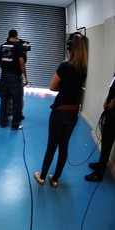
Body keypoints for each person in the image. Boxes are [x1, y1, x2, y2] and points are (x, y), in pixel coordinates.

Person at [34, 32, 88, 188]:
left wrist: (61, 87)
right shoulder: (84, 68)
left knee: (52, 146)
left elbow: (52, 86)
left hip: (60, 112)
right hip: (73, 114)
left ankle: (42, 176)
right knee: (64, 147)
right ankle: (55, 179)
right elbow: (74, 87)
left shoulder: (64, 66)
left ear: (69, 47)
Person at [85, 72, 115, 182]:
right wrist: (107, 99)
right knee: (106, 140)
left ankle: (99, 174)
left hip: (113, 113)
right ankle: (101, 164)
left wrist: (113, 102)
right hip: (110, 110)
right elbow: (112, 86)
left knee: (107, 143)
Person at [0, 29, 28, 130]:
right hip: (15, 77)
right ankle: (15, 124)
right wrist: (26, 76)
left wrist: (4, 68)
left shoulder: (3, 46)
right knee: (16, 101)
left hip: (4, 76)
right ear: (16, 36)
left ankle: (3, 122)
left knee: (4, 100)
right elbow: (21, 62)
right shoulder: (18, 46)